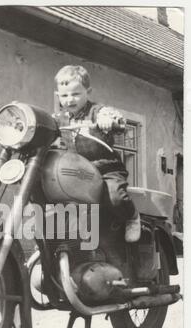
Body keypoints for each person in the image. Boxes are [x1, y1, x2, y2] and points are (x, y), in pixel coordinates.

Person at [54, 65, 141, 242]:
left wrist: (109, 120)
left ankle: (131, 217)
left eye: (76, 94)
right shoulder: (59, 118)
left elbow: (114, 117)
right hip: (78, 173)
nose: (70, 99)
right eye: (64, 95)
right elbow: (43, 124)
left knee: (115, 195)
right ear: (58, 96)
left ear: (88, 91)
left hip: (105, 169)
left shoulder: (96, 111)